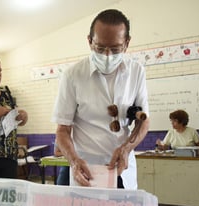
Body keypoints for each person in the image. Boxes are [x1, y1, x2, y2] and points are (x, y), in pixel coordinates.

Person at [52, 9, 150, 189]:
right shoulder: (73, 75)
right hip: (86, 170)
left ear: (127, 43)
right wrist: (74, 161)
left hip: (122, 168)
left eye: (115, 49)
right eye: (99, 47)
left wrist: (127, 148)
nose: (106, 56)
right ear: (89, 41)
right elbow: (63, 129)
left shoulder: (136, 72)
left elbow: (143, 121)